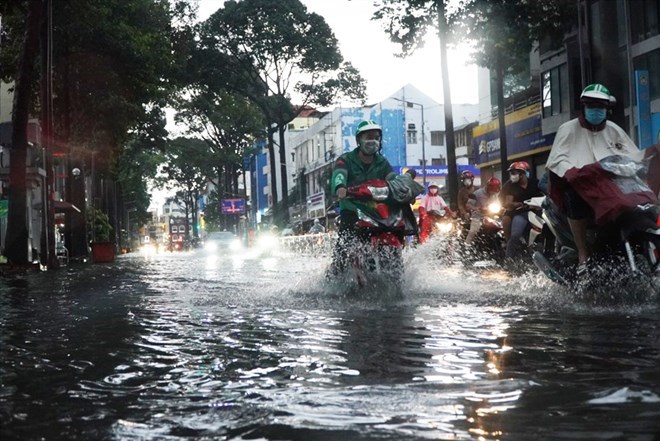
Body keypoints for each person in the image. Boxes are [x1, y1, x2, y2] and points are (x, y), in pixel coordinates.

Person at [545, 83, 648, 269]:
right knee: (574, 197)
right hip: (579, 184)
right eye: (591, 106)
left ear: (607, 109)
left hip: (610, 184)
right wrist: (572, 172)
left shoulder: (614, 130)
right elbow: (557, 159)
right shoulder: (568, 129)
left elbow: (633, 155)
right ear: (584, 107)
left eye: (600, 107)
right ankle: (583, 252)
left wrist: (643, 163)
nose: (596, 110)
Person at [329, 120, 397, 274]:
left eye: (376, 137)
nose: (372, 141)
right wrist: (340, 187)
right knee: (344, 244)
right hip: (352, 210)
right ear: (359, 140)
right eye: (368, 137)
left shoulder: (382, 162)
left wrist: (403, 189)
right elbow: (339, 174)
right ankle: (336, 273)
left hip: (376, 211)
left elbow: (392, 178)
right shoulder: (346, 159)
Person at [500, 161, 543, 259]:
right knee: (515, 235)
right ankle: (509, 258)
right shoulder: (510, 185)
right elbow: (508, 202)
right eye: (512, 173)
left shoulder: (535, 183)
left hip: (537, 212)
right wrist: (517, 204)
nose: (512, 175)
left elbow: (545, 195)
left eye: (514, 173)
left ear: (522, 174)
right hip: (519, 213)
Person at [465, 176, 501, 245]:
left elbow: (499, 204)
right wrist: (477, 208)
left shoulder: (495, 195)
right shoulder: (477, 193)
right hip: (478, 217)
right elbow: (468, 205)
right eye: (493, 189)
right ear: (488, 187)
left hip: (492, 217)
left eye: (495, 190)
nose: (494, 191)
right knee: (473, 231)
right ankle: (467, 246)